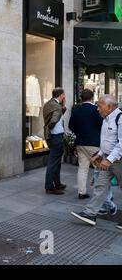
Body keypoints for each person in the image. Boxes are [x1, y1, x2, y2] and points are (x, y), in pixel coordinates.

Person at [71, 95, 121, 230]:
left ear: (110, 107)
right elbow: (106, 141)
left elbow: (121, 144)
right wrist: (98, 155)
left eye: (100, 106)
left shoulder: (120, 118)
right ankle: (90, 214)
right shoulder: (105, 119)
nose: (97, 109)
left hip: (118, 160)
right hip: (106, 158)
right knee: (100, 186)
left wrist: (109, 159)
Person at [68, 89, 103, 199]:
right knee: (100, 169)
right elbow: (102, 125)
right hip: (94, 143)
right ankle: (100, 195)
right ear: (92, 97)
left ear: (81, 98)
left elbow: (70, 126)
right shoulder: (95, 109)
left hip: (80, 143)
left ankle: (81, 192)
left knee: (83, 168)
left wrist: (79, 132)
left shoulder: (76, 110)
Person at [43, 88, 68, 195]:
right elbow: (53, 120)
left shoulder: (48, 103)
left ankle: (57, 183)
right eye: (63, 95)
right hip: (56, 136)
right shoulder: (57, 106)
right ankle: (49, 187)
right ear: (61, 95)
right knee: (53, 162)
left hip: (51, 136)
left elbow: (52, 116)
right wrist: (51, 127)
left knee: (56, 162)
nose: (64, 97)